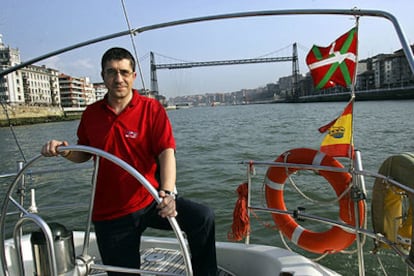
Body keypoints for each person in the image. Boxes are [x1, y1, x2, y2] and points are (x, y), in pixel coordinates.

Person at [41, 47, 217, 276]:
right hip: (111, 213)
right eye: (111, 72)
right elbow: (85, 152)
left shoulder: (151, 109)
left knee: (203, 218)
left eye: (124, 72)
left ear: (133, 76)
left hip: (150, 200)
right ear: (103, 76)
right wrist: (64, 151)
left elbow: (166, 151)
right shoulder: (92, 113)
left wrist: (167, 193)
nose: (118, 78)